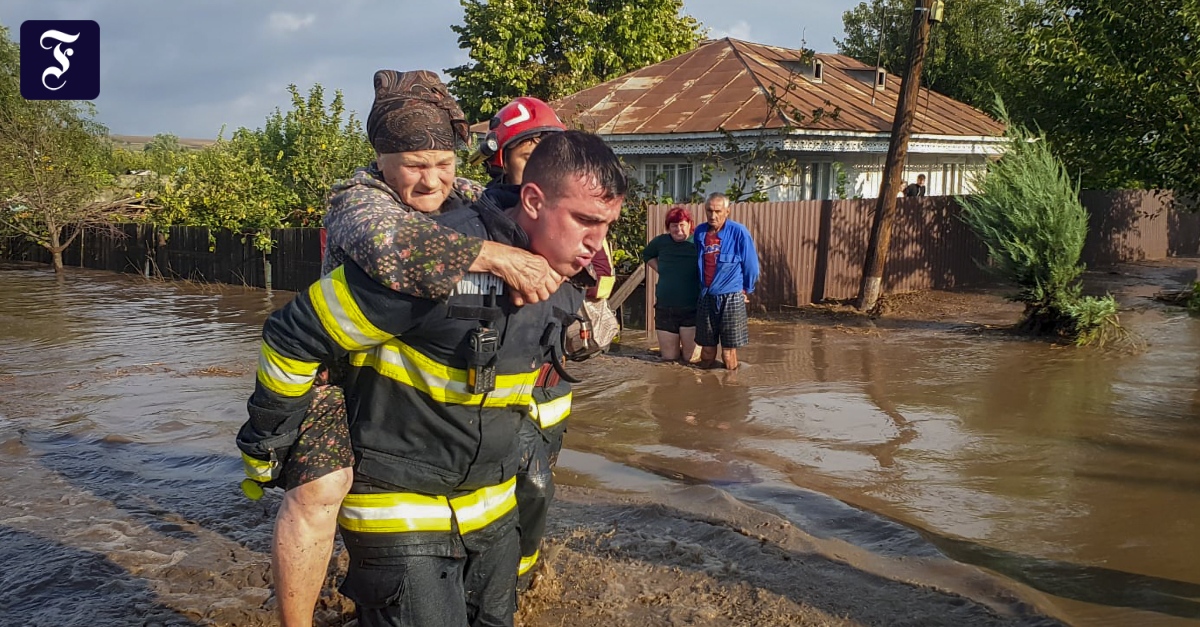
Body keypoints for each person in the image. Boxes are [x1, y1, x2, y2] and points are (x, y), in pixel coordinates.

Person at [240, 129, 626, 627]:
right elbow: (295, 336)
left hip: (491, 512)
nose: (598, 244)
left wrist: (580, 341)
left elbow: (536, 377)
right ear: (532, 199)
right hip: (401, 510)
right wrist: (269, 441)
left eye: (607, 225)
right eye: (586, 221)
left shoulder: (565, 270)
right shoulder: (433, 260)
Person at [693, 192, 759, 371]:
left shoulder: (739, 232)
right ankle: (706, 389)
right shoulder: (699, 232)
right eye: (709, 211)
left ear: (727, 211)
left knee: (728, 352)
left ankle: (730, 390)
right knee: (706, 349)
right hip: (707, 296)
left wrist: (745, 291)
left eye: (717, 211)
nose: (713, 216)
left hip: (731, 297)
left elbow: (752, 266)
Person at [641, 206, 700, 362]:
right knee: (669, 359)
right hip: (665, 308)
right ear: (668, 227)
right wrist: (661, 269)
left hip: (692, 308)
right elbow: (647, 255)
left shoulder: (698, 242)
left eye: (682, 224)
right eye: (674, 225)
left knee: (691, 359)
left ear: (689, 225)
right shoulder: (661, 242)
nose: (678, 229)